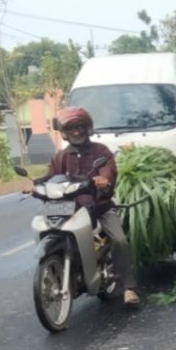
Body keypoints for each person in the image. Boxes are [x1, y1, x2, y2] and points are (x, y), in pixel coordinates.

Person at [41, 107, 140, 307]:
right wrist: (34, 185)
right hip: (68, 207)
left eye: (80, 127)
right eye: (71, 128)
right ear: (64, 132)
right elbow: (50, 177)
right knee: (49, 229)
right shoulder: (60, 157)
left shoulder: (101, 151)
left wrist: (104, 180)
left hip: (100, 206)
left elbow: (109, 172)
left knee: (119, 240)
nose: (76, 131)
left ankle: (128, 288)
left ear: (88, 129)